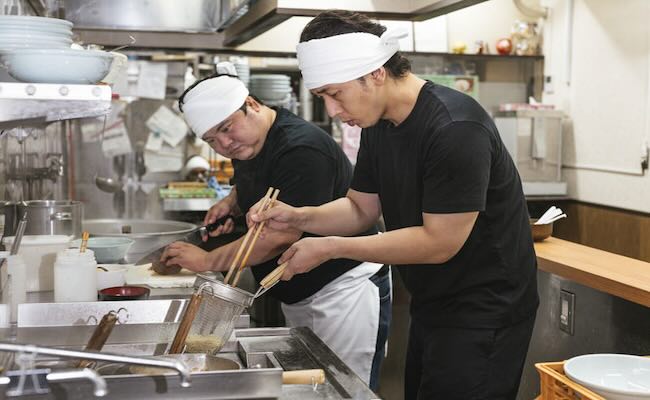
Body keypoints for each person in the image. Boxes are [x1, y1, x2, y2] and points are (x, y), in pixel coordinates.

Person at [249, 11, 539, 400]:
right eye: (324, 98)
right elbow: (359, 209)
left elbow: (439, 242)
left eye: (335, 94)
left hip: (485, 310)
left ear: (376, 73)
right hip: (433, 302)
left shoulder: (455, 128)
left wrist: (331, 247)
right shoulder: (378, 124)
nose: (333, 111)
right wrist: (297, 216)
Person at [159, 62, 391, 390]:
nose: (224, 145)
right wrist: (234, 203)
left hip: (343, 291)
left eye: (226, 129)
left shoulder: (301, 149)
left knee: (345, 389)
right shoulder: (249, 142)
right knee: (310, 389)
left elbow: (280, 236)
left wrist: (207, 261)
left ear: (252, 105)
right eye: (212, 140)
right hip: (299, 288)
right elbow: (259, 182)